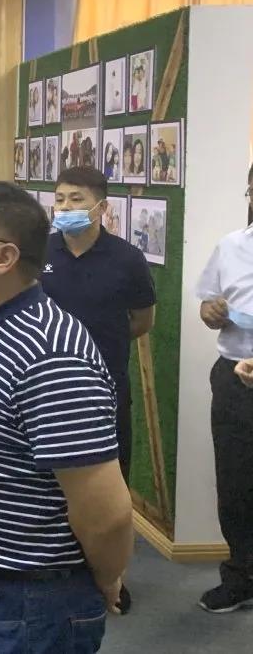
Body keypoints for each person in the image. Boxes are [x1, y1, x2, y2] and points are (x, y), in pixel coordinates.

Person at [0, 181, 133, 653]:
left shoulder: (49, 356)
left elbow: (107, 514)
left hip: (27, 601)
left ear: (2, 258)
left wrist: (105, 578)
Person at [41, 167, 156, 614]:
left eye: (76, 199)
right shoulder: (40, 251)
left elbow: (141, 321)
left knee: (109, 484)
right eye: (60, 199)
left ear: (102, 207)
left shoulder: (127, 258)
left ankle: (111, 575)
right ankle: (56, 568)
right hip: (45, 389)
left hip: (105, 389)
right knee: (50, 484)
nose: (66, 207)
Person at [194, 166, 253, 613]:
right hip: (235, 378)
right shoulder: (231, 246)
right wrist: (211, 312)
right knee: (235, 482)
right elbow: (208, 306)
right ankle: (241, 576)